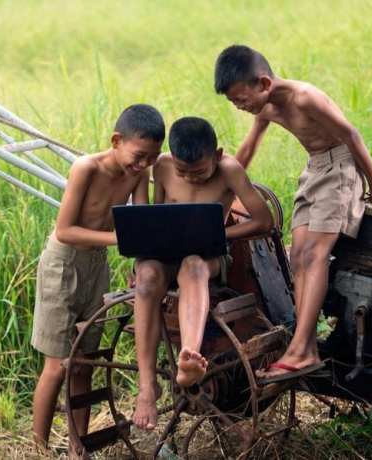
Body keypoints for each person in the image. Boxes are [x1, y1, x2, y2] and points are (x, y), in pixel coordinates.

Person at [213, 45, 372, 382]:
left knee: (315, 255)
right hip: (314, 170)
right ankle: (305, 343)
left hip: (340, 168)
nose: (240, 106)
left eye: (241, 99)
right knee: (297, 256)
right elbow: (248, 149)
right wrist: (227, 195)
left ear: (264, 83)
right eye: (234, 102)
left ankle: (301, 350)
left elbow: (350, 134)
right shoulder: (266, 108)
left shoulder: (305, 98)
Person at [30, 104, 164, 454]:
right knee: (57, 366)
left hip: (97, 266)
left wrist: (141, 262)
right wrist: (119, 239)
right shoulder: (86, 168)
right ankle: (38, 448)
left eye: (151, 158)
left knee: (84, 363)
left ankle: (78, 447)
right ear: (116, 140)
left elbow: (141, 223)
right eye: (139, 156)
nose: (144, 165)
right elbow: (65, 230)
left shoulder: (139, 173)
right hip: (64, 264)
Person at [132, 116, 273, 430]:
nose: (189, 178)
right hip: (168, 253)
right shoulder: (162, 166)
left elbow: (264, 221)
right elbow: (157, 217)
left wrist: (219, 235)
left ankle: (189, 358)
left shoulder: (230, 170)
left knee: (193, 265)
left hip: (209, 257)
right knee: (148, 276)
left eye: (198, 172)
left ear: (217, 155)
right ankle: (147, 387)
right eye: (183, 171)